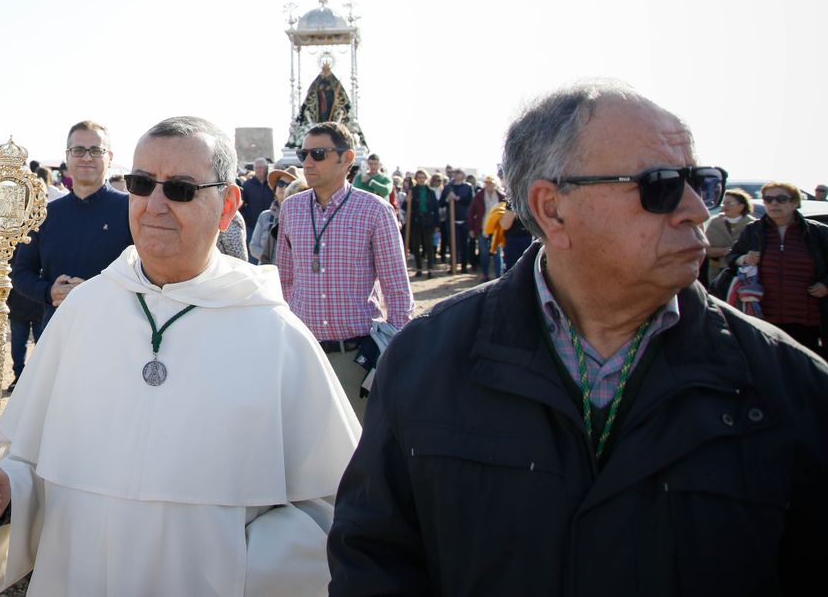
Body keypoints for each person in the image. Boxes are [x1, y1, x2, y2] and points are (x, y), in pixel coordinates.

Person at [328, 82, 828, 595]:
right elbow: (374, 557)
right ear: (552, 209)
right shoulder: (425, 361)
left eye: (702, 182)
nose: (697, 209)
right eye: (660, 186)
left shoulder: (793, 385)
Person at [0, 116, 360, 595]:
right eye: (142, 184)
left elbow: (329, 509)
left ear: (228, 205)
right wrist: (8, 494)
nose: (155, 205)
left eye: (182, 190)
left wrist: (238, 570)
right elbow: (33, 461)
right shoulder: (83, 312)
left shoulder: (274, 335)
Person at [275, 122, 413, 419]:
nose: (307, 162)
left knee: (358, 443)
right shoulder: (291, 209)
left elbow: (397, 290)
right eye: (303, 154)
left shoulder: (375, 210)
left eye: (318, 154)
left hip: (356, 358)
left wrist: (393, 352)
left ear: (347, 158)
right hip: (303, 354)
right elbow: (284, 279)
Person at [12, 122, 133, 329]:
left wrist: (98, 293)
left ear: (110, 157)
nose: (86, 157)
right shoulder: (45, 214)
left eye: (96, 150)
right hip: (57, 331)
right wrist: (49, 292)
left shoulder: (130, 210)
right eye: (78, 150)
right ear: (67, 156)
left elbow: (149, 275)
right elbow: (21, 274)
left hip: (115, 331)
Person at [725, 181, 828, 357]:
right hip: (762, 318)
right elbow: (731, 258)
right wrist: (744, 259)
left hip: (807, 320)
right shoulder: (753, 230)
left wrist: (826, 285)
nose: (773, 204)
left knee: (803, 369)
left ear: (795, 203)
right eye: (768, 199)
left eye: (781, 199)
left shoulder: (818, 232)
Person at [702, 188, 754, 289]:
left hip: (743, 272)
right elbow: (705, 249)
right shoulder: (715, 222)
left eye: (729, 203)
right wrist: (723, 251)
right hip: (716, 271)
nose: (725, 206)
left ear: (741, 206)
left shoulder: (751, 224)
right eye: (724, 203)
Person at [466, 174, 506, 282]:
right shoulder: (479, 196)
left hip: (497, 229)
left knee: (497, 253)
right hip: (482, 228)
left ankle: (499, 276)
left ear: (495, 184)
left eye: (491, 183)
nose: (489, 185)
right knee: (483, 253)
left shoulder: (501, 196)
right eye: (487, 183)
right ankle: (485, 275)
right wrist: (471, 228)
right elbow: (471, 213)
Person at [438, 167, 474, 271]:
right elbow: (441, 203)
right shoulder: (448, 187)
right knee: (453, 244)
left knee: (464, 243)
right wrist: (447, 199)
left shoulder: (468, 187)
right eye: (455, 173)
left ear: (463, 175)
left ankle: (464, 266)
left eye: (459, 173)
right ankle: (453, 264)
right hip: (451, 220)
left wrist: (457, 198)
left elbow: (470, 201)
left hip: (464, 219)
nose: (457, 175)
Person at [239, 159, 277, 256]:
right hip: (252, 225)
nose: (259, 170)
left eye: (261, 168)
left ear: (266, 169)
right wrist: (245, 218)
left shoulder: (272, 184)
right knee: (253, 253)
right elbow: (241, 204)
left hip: (269, 224)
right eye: (257, 168)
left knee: (269, 253)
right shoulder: (247, 185)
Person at [406, 170, 438, 277]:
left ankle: (430, 268)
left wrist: (436, 224)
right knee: (416, 246)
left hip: (428, 221)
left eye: (423, 177)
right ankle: (419, 268)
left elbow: (435, 208)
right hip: (416, 221)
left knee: (429, 246)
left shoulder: (431, 191)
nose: (421, 179)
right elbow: (406, 207)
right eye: (419, 177)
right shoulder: (412, 191)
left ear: (426, 178)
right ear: (416, 179)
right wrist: (407, 201)